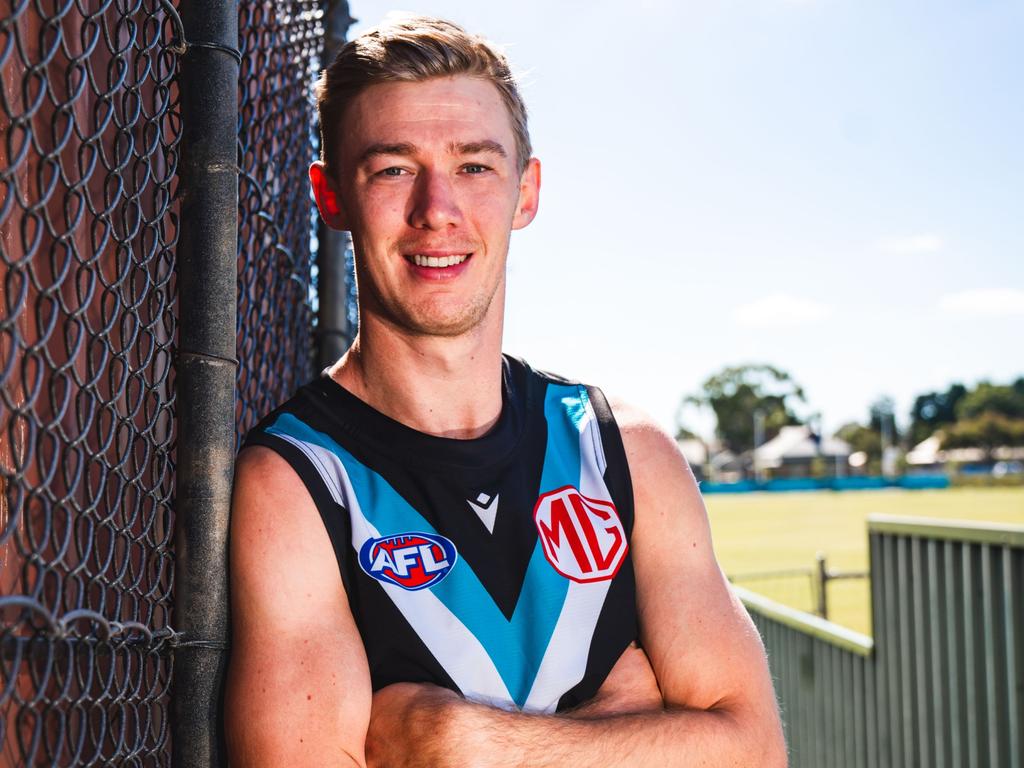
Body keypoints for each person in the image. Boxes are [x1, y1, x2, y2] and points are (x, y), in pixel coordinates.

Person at [225, 14, 786, 768]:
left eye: (474, 167)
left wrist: (453, 739)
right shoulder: (297, 483)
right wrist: (632, 730)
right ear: (330, 197)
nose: (437, 209)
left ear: (527, 192)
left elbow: (753, 751)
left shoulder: (624, 450)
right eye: (393, 168)